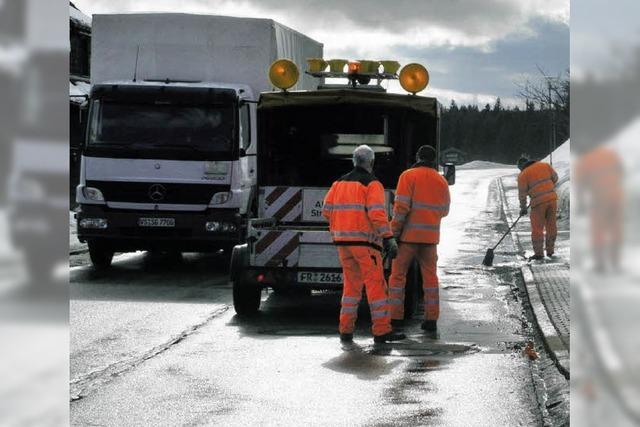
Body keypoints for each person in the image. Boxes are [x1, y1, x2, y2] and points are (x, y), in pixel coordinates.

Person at [322, 145, 405, 343]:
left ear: (354, 161)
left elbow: (326, 210)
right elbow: (376, 214)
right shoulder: (372, 184)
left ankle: (346, 329)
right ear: (372, 162)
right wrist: (388, 237)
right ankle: (382, 331)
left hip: (343, 242)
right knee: (376, 286)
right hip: (365, 244)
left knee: (351, 288)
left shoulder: (338, 183)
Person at [388, 145, 450, 332]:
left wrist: (393, 234)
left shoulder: (407, 176)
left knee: (398, 277)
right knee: (430, 278)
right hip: (430, 239)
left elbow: (401, 209)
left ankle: (395, 318)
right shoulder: (441, 181)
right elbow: (445, 211)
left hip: (407, 238)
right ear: (433, 159)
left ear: (417, 156)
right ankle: (431, 320)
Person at [517, 155, 559, 260]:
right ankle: (550, 251)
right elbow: (555, 178)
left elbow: (522, 194)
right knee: (551, 226)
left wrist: (523, 208)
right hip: (552, 200)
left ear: (521, 166)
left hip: (538, 203)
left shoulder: (523, 175)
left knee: (537, 229)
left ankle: (539, 253)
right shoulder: (545, 165)